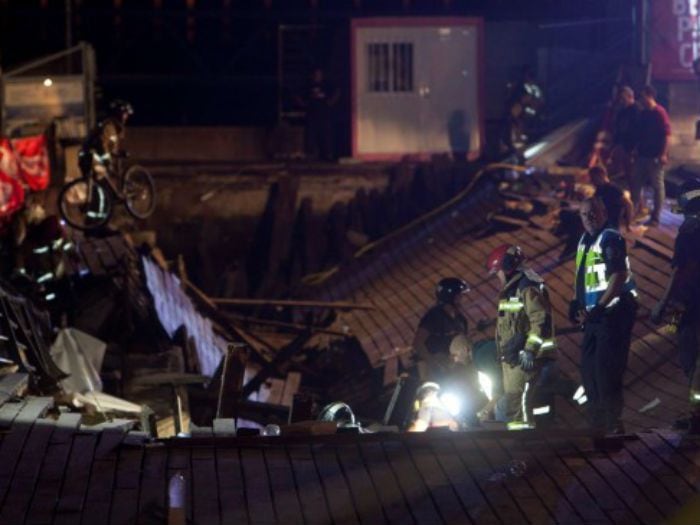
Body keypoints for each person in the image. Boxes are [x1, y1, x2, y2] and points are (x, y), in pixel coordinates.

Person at [570, 197, 638, 434]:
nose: (589, 218)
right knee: (589, 373)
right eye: (584, 214)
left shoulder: (610, 237)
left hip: (613, 313)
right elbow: (582, 275)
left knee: (606, 372)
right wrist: (575, 302)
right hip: (594, 317)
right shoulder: (584, 240)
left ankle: (613, 424)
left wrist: (600, 306)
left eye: (593, 213)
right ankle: (597, 423)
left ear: (603, 212)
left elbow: (618, 275)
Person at [487, 244, 556, 428]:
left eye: (498, 272)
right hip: (514, 357)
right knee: (514, 402)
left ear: (508, 267)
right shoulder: (512, 289)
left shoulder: (526, 288)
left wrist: (529, 350)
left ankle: (526, 442)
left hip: (525, 358)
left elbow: (539, 321)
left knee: (519, 403)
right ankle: (521, 439)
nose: (497, 277)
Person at [651, 179, 700, 433]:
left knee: (691, 359)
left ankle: (697, 415)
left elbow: (680, 270)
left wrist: (662, 303)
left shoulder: (690, 230)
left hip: (694, 306)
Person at [413, 277, 470, 383]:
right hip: (431, 362)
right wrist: (433, 363)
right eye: (461, 296)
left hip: (450, 361)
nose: (463, 298)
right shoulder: (434, 317)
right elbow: (417, 343)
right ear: (453, 298)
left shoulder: (460, 320)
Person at [631, 85, 671, 227]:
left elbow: (667, 135)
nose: (640, 99)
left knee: (657, 186)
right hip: (642, 154)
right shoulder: (644, 114)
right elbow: (640, 134)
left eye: (642, 96)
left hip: (655, 156)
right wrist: (636, 149)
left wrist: (663, 154)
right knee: (635, 184)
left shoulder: (660, 112)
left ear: (649, 96)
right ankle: (633, 212)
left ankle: (655, 217)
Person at [78, 99, 134, 179]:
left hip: (88, 158)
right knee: (102, 182)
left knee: (99, 184)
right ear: (120, 114)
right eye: (125, 114)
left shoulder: (112, 127)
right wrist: (107, 160)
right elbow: (102, 144)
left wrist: (117, 153)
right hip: (92, 160)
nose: (126, 117)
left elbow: (109, 146)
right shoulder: (109, 127)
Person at [298, 68, 339, 161]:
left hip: (324, 113)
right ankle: (311, 154)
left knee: (325, 133)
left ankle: (327, 154)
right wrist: (303, 103)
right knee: (311, 134)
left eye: (319, 74)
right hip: (312, 113)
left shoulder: (327, 85)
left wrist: (331, 102)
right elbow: (298, 94)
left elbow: (337, 91)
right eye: (315, 74)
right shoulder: (308, 85)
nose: (317, 76)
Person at [609, 85, 639, 186]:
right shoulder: (622, 112)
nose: (621, 101)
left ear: (630, 96)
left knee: (633, 175)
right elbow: (618, 128)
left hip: (631, 147)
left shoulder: (637, 111)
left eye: (623, 98)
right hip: (623, 146)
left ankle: (636, 199)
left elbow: (638, 131)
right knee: (626, 173)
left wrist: (635, 148)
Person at [588, 165, 634, 231]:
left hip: (611, 225)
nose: (592, 181)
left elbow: (629, 204)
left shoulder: (613, 189)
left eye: (593, 178)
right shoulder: (599, 189)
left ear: (601, 175)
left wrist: (628, 225)